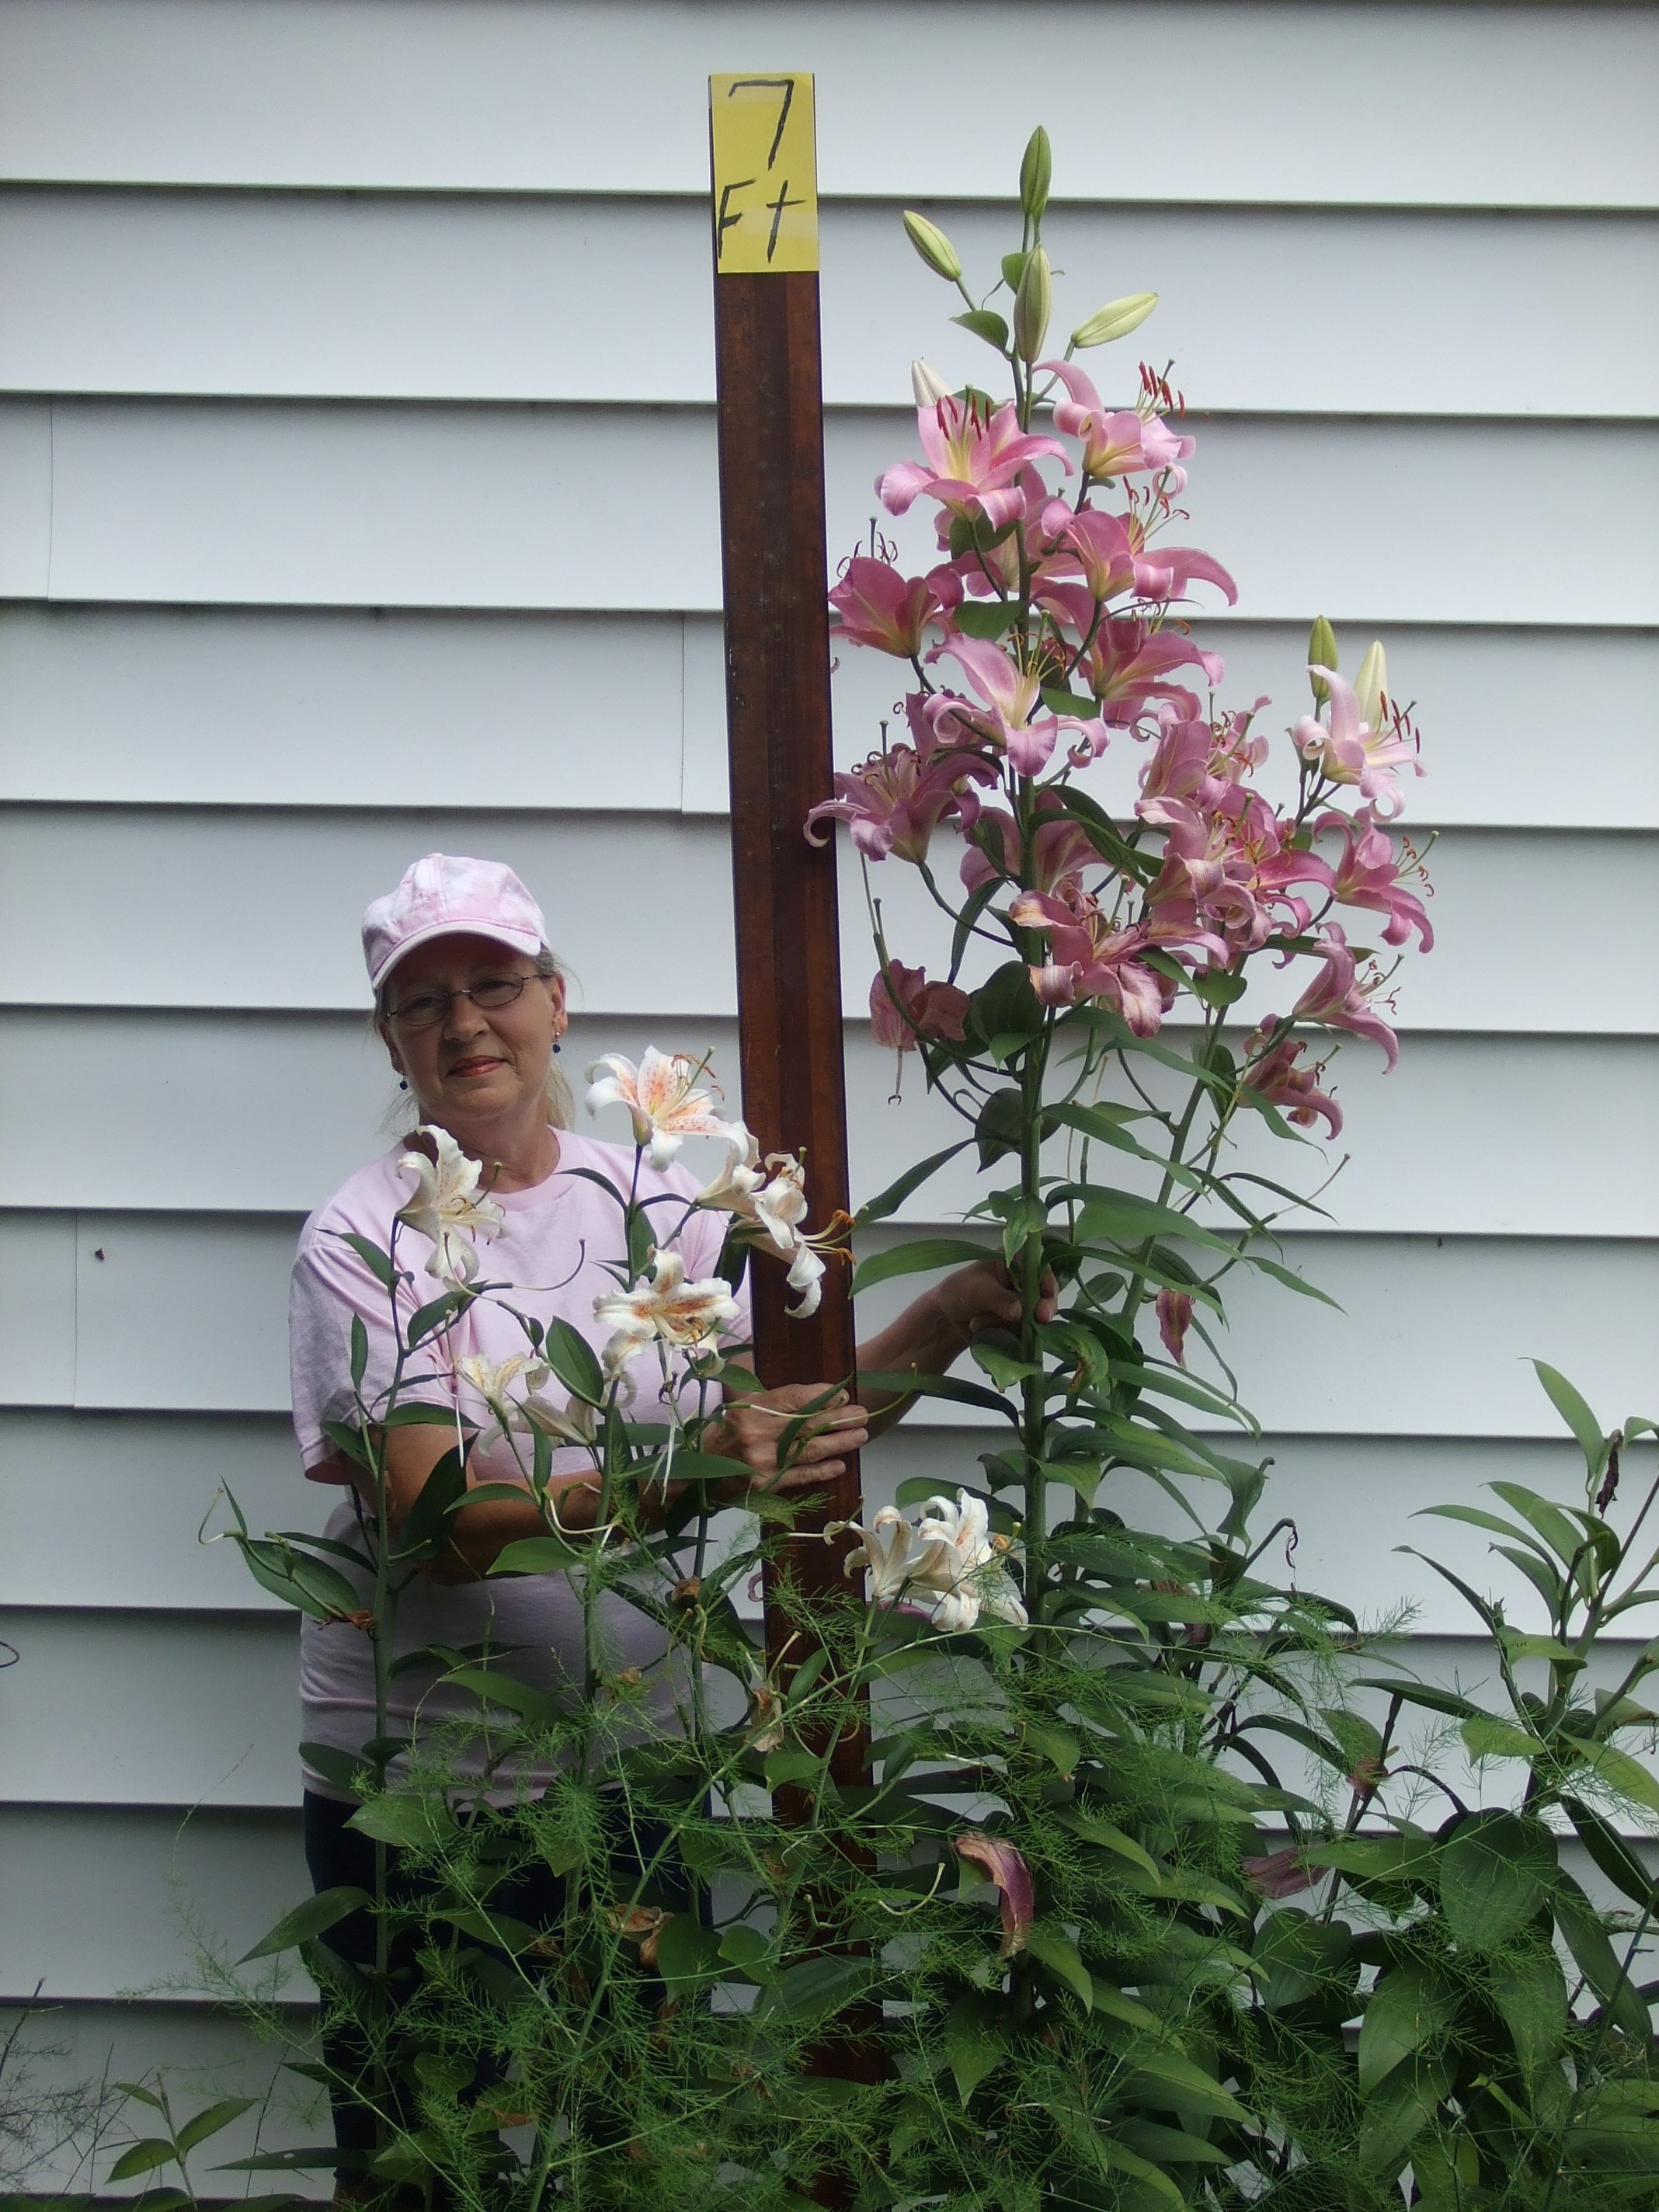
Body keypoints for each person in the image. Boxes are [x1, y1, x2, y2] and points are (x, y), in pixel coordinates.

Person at [287, 850, 1051, 2169]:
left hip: (633, 1772)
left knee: (629, 2140)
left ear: (556, 1001)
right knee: (423, 2154)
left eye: (494, 984)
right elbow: (439, 1525)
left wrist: (948, 1315)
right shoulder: (365, 1241)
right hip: (419, 1783)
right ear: (390, 1038)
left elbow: (781, 1430)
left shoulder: (657, 1204)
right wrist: (685, 1470)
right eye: (424, 1001)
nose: (466, 1023)